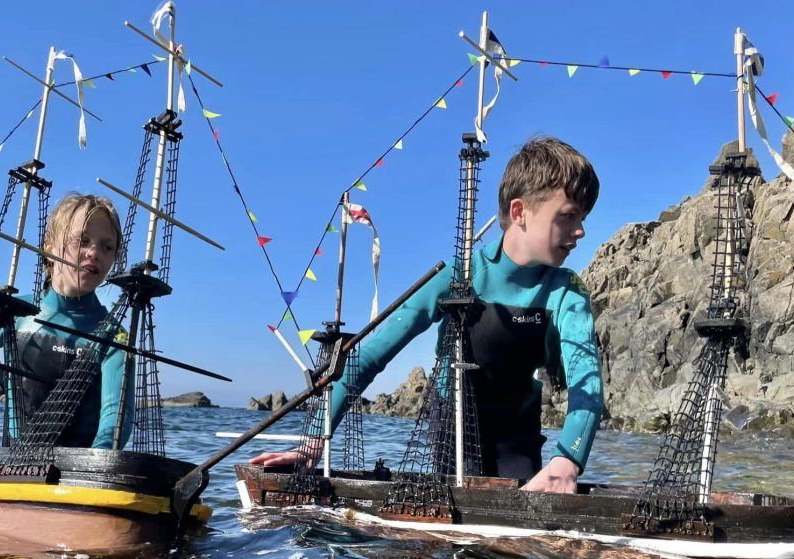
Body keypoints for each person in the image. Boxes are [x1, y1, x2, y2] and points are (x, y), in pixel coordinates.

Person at [251, 137, 603, 493]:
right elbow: (370, 356)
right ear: (519, 212)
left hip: (517, 430)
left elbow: (586, 383)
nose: (580, 231)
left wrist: (567, 461)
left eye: (583, 217)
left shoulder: (567, 291)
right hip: (454, 424)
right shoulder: (459, 276)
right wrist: (314, 442)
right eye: (569, 215)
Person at [0, 192, 134, 449]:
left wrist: (97, 464)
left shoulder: (114, 336)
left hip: (78, 478)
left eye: (107, 246)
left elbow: (115, 418)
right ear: (49, 247)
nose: (94, 253)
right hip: (11, 473)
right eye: (83, 240)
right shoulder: (12, 313)